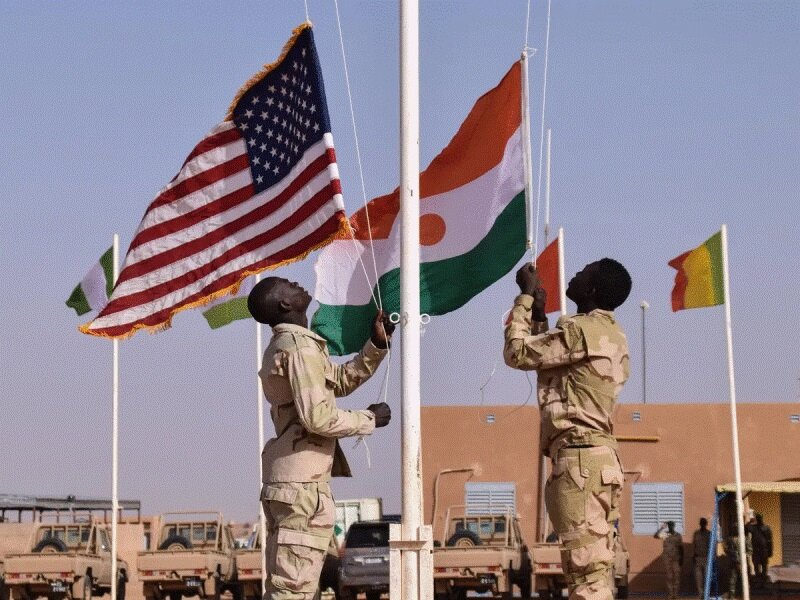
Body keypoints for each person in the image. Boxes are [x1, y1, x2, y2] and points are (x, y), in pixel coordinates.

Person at [248, 277, 394, 600]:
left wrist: (376, 346)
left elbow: (336, 382)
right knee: (293, 592)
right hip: (300, 489)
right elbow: (318, 417)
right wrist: (368, 419)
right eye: (287, 285)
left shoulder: (294, 346)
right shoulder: (298, 349)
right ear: (285, 305)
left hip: (294, 483)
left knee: (298, 589)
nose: (295, 283)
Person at [504, 259, 632, 600]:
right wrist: (541, 319)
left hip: (579, 465)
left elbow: (517, 354)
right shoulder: (611, 333)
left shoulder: (578, 331)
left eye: (582, 273)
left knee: (585, 575)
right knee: (595, 570)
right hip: (599, 462)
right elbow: (554, 365)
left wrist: (525, 298)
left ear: (590, 291)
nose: (573, 274)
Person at [655, 521, 684, 600]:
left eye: (672, 525)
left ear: (674, 526)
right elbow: (655, 536)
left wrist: (682, 559)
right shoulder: (665, 534)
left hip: (676, 559)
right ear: (668, 526)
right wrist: (662, 528)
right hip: (667, 558)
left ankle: (676, 595)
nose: (671, 527)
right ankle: (670, 595)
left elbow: (681, 548)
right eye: (669, 525)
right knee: (669, 577)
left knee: (677, 577)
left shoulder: (678, 535)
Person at [749, 513, 772, 588]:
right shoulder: (753, 527)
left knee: (763, 567)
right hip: (757, 551)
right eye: (758, 518)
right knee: (757, 567)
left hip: (763, 550)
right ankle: (760, 582)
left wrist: (770, 551)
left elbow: (769, 541)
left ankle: (763, 583)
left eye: (759, 518)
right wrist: (750, 521)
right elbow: (746, 528)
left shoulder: (766, 528)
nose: (759, 520)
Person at [692, 518, 712, 599]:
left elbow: (712, 547)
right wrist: (693, 555)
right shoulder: (696, 533)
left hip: (706, 558)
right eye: (701, 523)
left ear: (706, 524)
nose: (702, 524)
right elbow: (694, 545)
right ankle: (700, 594)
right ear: (700, 524)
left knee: (707, 577)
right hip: (698, 558)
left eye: (704, 523)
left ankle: (706, 594)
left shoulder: (709, 534)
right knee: (698, 578)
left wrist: (712, 558)